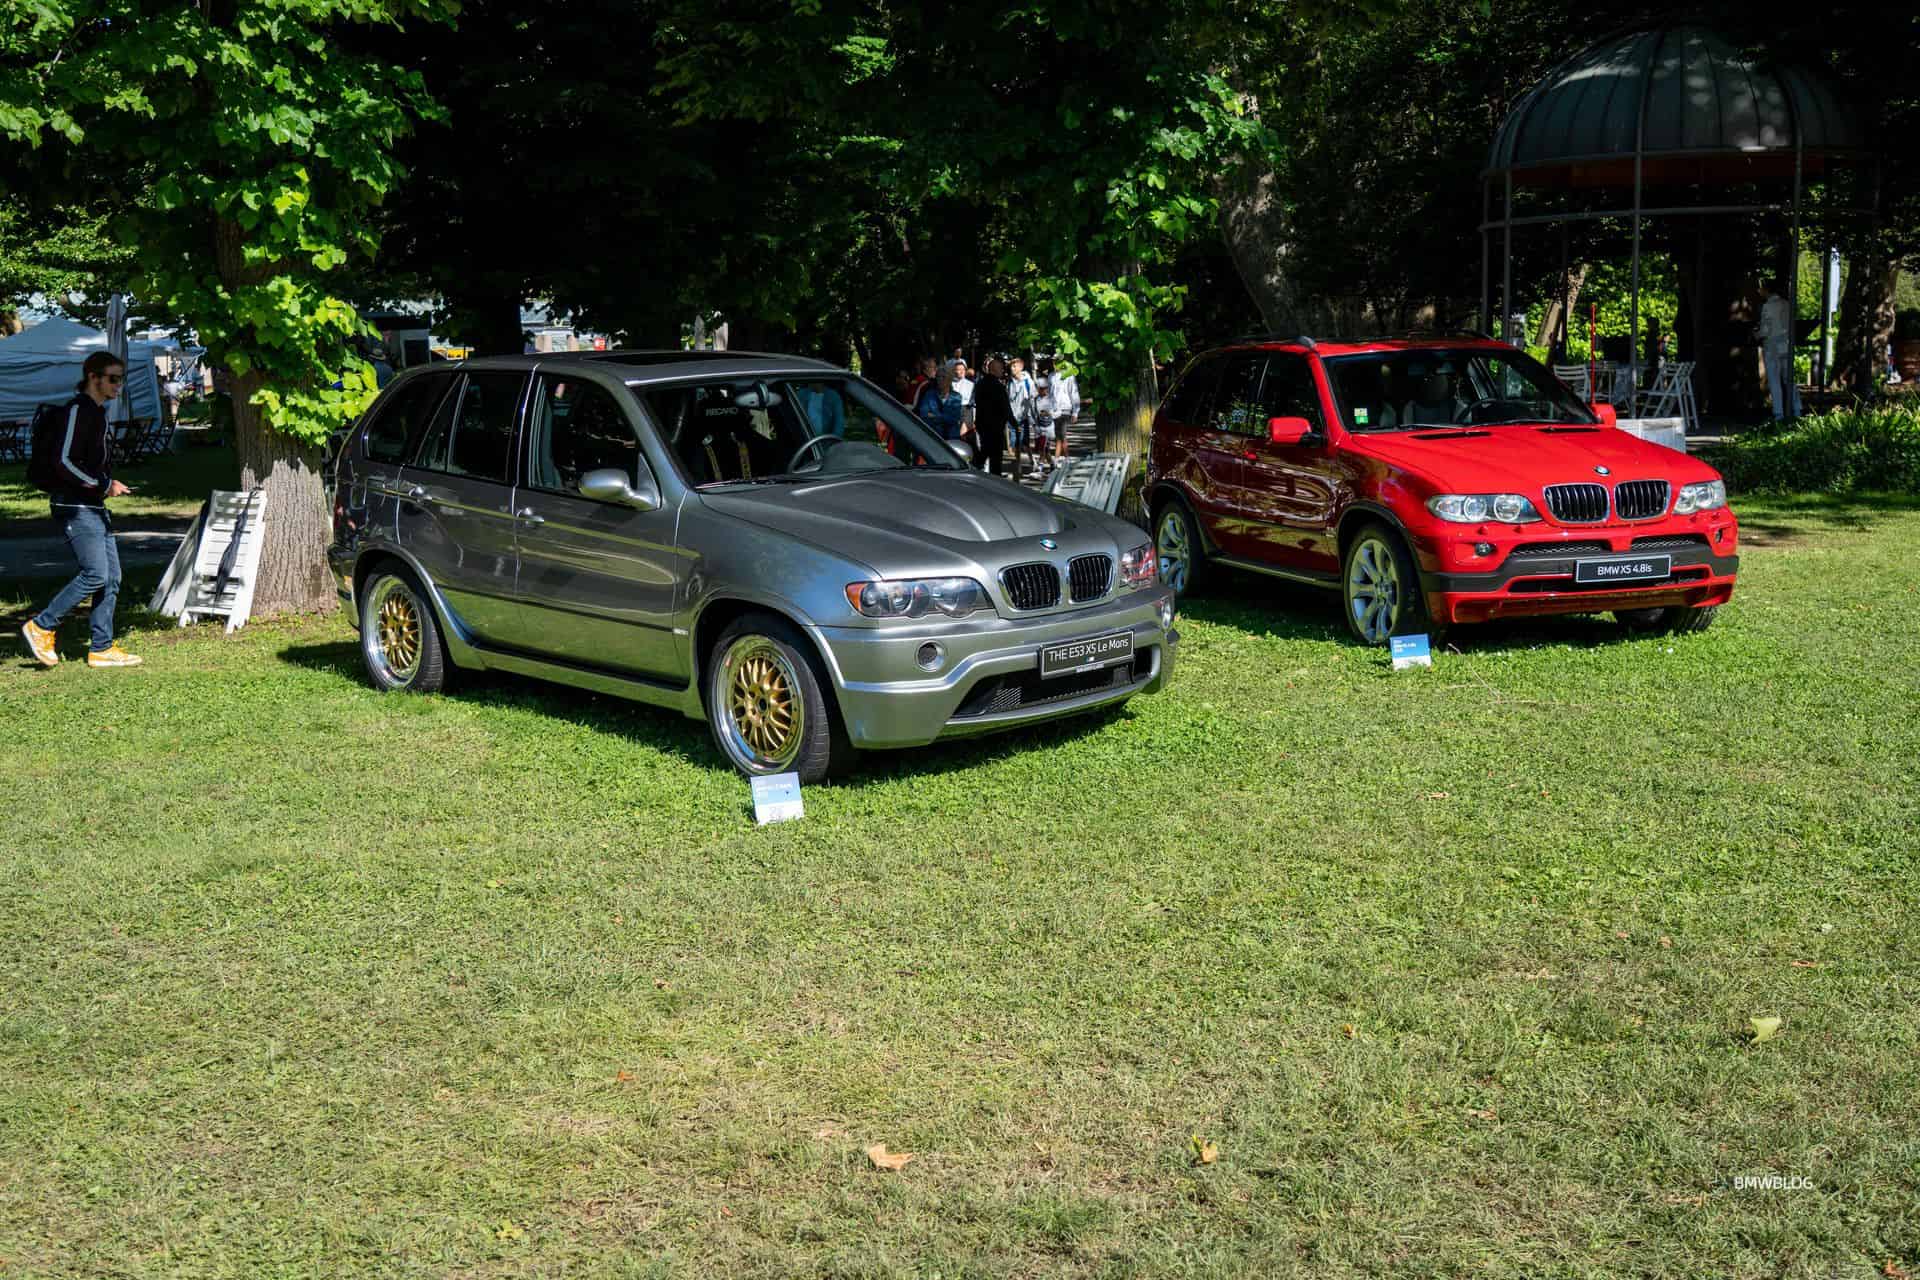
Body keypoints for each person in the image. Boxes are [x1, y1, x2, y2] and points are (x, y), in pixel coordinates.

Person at [20, 352, 142, 669]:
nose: (118, 385)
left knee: (111, 577)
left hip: (92, 504)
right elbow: (64, 461)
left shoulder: (97, 413)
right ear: (93, 377)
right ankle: (42, 625)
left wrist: (106, 484)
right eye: (113, 378)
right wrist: (103, 485)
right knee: (95, 574)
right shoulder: (78, 410)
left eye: (121, 379)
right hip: (74, 505)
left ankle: (101, 648)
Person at [1756, 279, 1801, 420]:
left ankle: (1778, 413)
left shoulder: (1767, 306)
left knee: (1774, 380)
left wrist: (1756, 334)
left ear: (1766, 290)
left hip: (1772, 347)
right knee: (1789, 380)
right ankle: (1797, 409)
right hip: (1786, 346)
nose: (1759, 291)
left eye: (1761, 288)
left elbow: (1765, 330)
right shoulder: (1787, 304)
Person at [970, 357, 1013, 475]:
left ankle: (977, 468)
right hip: (995, 426)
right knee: (994, 456)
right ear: (994, 370)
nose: (1002, 371)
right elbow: (1005, 407)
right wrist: (1013, 421)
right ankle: (989, 475)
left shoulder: (980, 384)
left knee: (986, 450)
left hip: (983, 425)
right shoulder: (998, 386)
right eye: (1000, 368)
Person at [1006, 355, 1040, 476]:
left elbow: (1034, 396)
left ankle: (1031, 461)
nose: (1012, 369)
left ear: (1021, 367)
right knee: (1015, 444)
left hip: (1023, 417)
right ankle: (1018, 466)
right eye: (1011, 367)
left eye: (1014, 366)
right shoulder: (1010, 382)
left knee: (1024, 443)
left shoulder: (1027, 381)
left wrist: (1033, 415)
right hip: (1012, 418)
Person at [1044, 361, 1081, 471]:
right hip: (1054, 410)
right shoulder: (1051, 376)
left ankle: (1056, 461)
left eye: (1058, 362)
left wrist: (1075, 412)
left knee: (1061, 435)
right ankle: (1066, 459)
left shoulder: (1069, 375)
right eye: (1054, 363)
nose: (1055, 365)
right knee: (1058, 436)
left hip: (1065, 409)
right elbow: (1049, 394)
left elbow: (1074, 393)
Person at [914, 365, 965, 441]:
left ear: (950, 379)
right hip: (933, 437)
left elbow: (954, 418)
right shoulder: (929, 394)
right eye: (938, 377)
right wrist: (944, 417)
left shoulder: (957, 397)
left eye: (943, 377)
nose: (940, 380)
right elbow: (923, 415)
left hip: (951, 438)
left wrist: (934, 415)